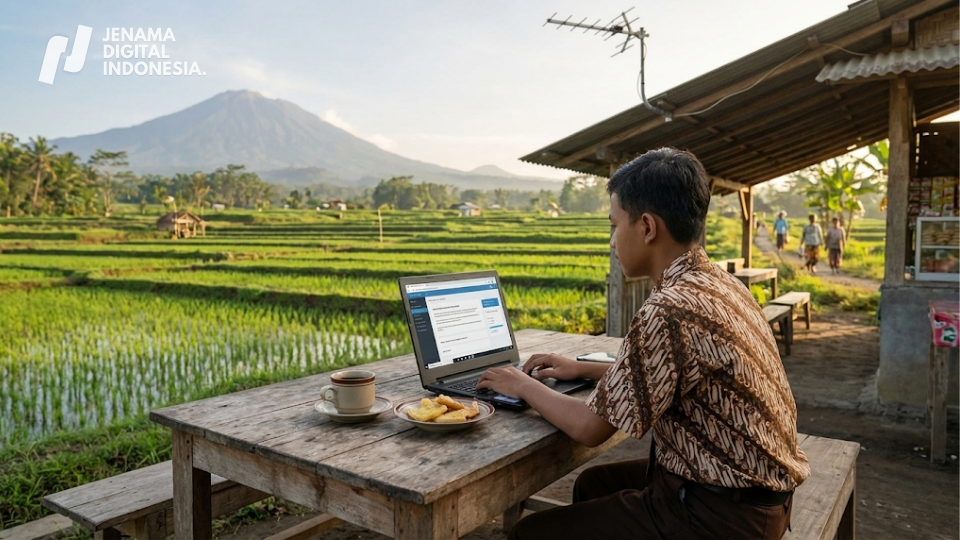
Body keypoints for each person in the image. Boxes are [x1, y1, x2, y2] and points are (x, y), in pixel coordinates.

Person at [477, 147, 810, 540]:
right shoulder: (717, 284)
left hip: (722, 516)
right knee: (591, 487)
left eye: (614, 225)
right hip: (756, 496)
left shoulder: (669, 308)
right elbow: (678, 369)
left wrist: (520, 384)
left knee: (530, 534)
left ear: (648, 227)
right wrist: (582, 367)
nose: (612, 242)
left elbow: (589, 428)